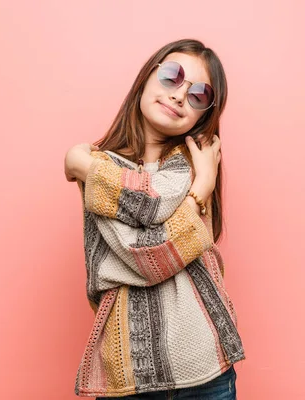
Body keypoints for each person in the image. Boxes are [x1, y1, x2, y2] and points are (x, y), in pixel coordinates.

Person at [64, 39, 245, 399]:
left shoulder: (194, 165)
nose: (180, 96)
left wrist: (81, 165)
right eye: (171, 76)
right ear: (147, 77)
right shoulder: (105, 167)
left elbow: (155, 250)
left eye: (198, 95)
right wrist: (199, 196)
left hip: (209, 369)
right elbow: (144, 255)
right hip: (130, 376)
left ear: (204, 115)